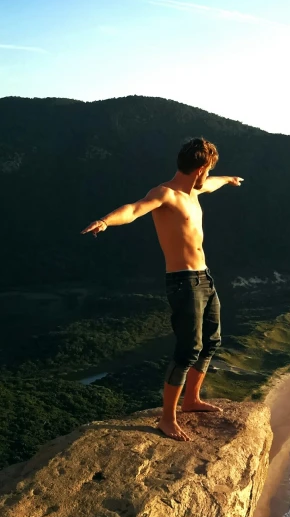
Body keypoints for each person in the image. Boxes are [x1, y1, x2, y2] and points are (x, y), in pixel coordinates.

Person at [80, 138, 243, 441]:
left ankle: (192, 400)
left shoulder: (196, 189)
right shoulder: (165, 194)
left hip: (205, 277)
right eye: (209, 170)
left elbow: (214, 183)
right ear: (201, 168)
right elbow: (133, 210)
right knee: (188, 349)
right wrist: (106, 221)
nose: (209, 177)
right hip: (183, 281)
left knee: (212, 340)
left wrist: (229, 179)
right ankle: (167, 418)